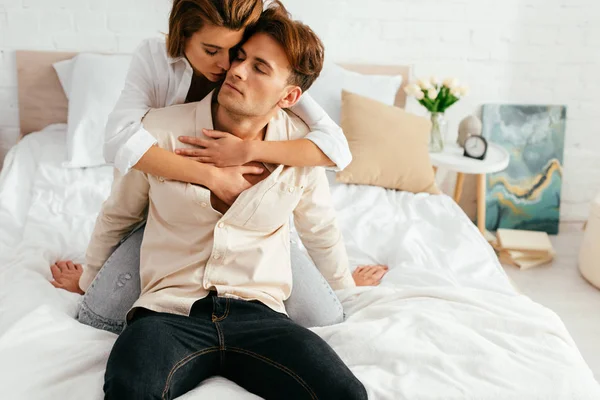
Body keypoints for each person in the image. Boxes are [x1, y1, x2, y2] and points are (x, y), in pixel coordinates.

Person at [76, 3, 368, 398]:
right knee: (130, 389)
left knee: (346, 394)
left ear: (290, 96)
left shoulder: (302, 150)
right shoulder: (157, 131)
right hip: (169, 313)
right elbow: (119, 215)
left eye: (259, 68)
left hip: (261, 314)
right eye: (238, 57)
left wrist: (345, 285)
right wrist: (86, 278)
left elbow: (320, 228)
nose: (235, 70)